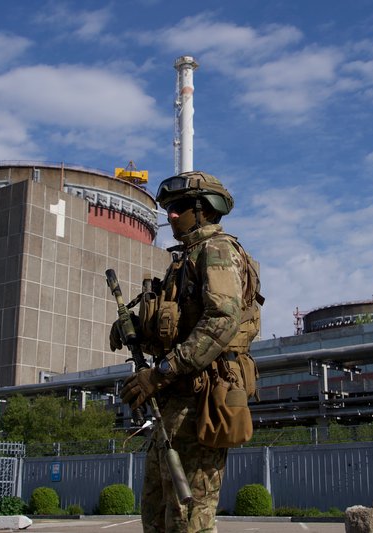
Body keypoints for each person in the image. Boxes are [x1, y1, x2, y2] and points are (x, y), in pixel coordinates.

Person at [111, 171, 262, 533]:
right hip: (175, 402)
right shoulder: (185, 261)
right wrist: (135, 328)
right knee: (157, 512)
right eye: (169, 208)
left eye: (179, 207)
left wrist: (158, 372)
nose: (171, 215)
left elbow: (221, 322)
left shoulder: (217, 251)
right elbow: (178, 329)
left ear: (204, 210)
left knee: (188, 517)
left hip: (202, 402)